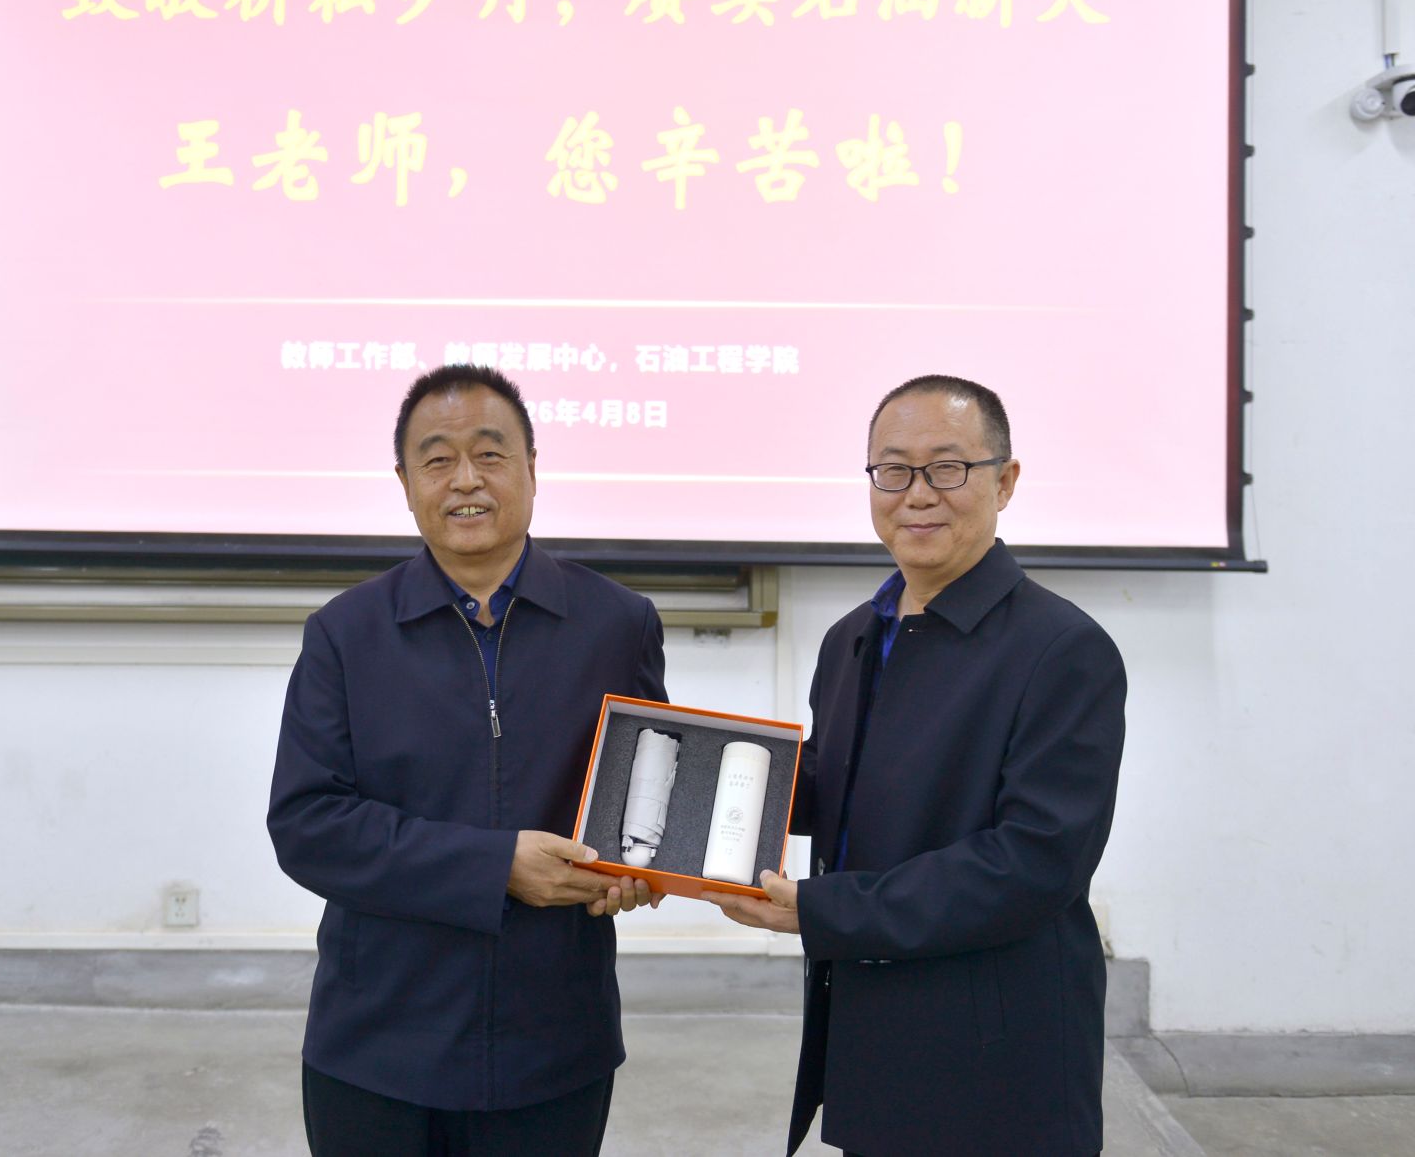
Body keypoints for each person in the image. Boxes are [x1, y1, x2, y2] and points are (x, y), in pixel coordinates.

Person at [705, 374, 1126, 1157]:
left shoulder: (1064, 650)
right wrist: (707, 780)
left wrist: (822, 909)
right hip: (872, 1035)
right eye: (893, 469)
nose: (917, 493)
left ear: (1005, 481)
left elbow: (1034, 862)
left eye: (948, 467)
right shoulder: (853, 637)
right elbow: (843, 784)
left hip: (998, 1057)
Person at [268, 364, 667, 1157]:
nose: (465, 480)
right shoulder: (345, 634)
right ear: (405, 481)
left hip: (554, 1043)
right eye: (438, 458)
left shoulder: (617, 624)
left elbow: (644, 792)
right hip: (378, 1044)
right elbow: (309, 825)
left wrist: (640, 870)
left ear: (531, 468)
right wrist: (495, 866)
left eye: (490, 454)